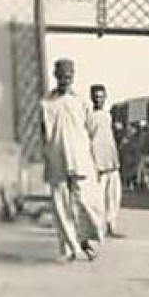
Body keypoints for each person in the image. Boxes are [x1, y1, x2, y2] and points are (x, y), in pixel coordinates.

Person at [40, 58, 105, 262]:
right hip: (57, 158)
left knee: (84, 202)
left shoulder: (81, 102)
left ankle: (84, 240)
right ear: (55, 76)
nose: (65, 80)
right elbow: (43, 132)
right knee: (60, 205)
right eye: (61, 77)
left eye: (68, 77)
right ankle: (69, 248)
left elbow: (91, 132)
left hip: (80, 159)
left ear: (73, 77)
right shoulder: (46, 103)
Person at [88, 84, 124, 237]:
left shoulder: (109, 116)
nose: (99, 100)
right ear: (92, 98)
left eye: (101, 97)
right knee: (99, 197)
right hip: (97, 162)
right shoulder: (88, 116)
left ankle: (111, 225)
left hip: (111, 161)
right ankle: (99, 227)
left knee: (114, 196)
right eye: (96, 97)